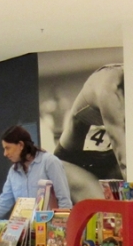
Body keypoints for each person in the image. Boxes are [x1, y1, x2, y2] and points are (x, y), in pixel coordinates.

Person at [54, 64, 126, 202]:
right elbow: (121, 148)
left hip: (108, 163)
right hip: (72, 164)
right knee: (110, 210)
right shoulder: (107, 85)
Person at [0, 125, 73, 219]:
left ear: (21, 145)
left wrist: (61, 227)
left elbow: (64, 200)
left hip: (48, 228)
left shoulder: (49, 162)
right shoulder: (13, 171)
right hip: (23, 229)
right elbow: (3, 203)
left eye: (8, 148)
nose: (5, 153)